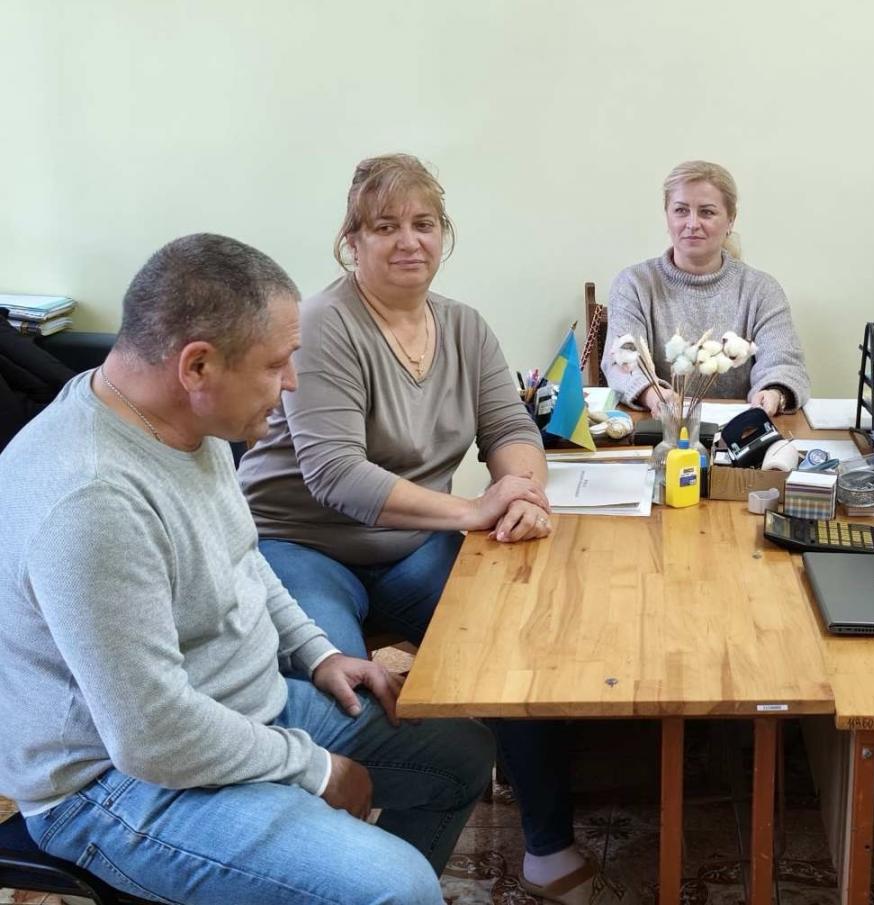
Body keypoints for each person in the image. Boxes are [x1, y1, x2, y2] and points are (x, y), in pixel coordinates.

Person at [0, 233, 492, 905]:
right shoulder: (93, 500)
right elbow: (154, 737)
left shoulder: (183, 423)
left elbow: (243, 557)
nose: (291, 383)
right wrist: (314, 769)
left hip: (231, 706)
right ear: (198, 366)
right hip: (114, 782)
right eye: (276, 364)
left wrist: (319, 654)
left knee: (460, 756)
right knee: (393, 887)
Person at [237, 154, 592, 903]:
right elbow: (335, 474)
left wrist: (521, 489)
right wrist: (472, 511)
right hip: (297, 543)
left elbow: (510, 426)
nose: (409, 241)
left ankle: (542, 843)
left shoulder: (463, 325)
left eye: (424, 224)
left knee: (515, 643)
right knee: (347, 707)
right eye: (385, 226)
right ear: (352, 241)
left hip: (409, 545)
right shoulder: (324, 323)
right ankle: (341, 869)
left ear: (444, 234)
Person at [601, 159, 810, 417]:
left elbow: (785, 363)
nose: (692, 223)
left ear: (730, 220)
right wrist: (656, 397)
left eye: (707, 212)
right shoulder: (634, 284)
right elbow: (621, 362)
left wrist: (774, 393)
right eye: (680, 210)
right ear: (667, 216)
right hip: (661, 426)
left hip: (741, 430)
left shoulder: (762, 290)